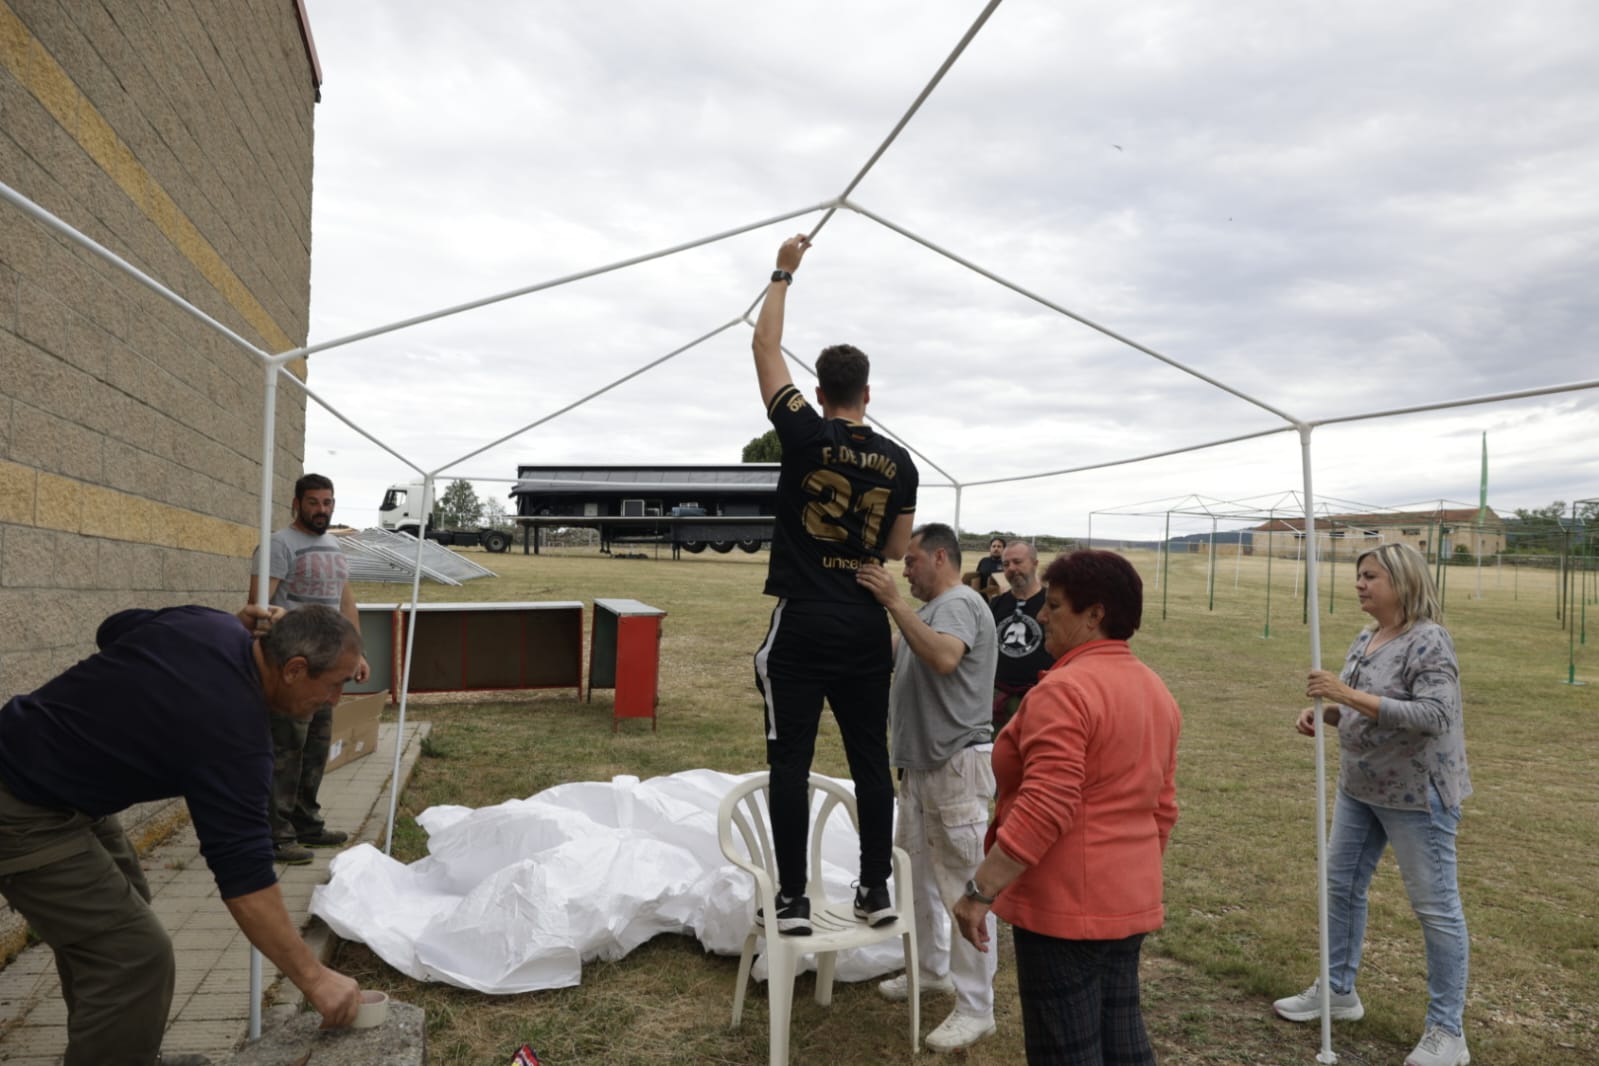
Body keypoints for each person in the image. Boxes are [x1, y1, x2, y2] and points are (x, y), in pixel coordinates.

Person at [0, 603, 365, 1066]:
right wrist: (315, 979)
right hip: (20, 806)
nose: (335, 700)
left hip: (56, 781)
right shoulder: (234, 737)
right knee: (133, 954)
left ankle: (121, 1050)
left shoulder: (207, 623)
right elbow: (246, 881)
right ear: (294, 669)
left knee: (124, 906)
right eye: (334, 685)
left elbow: (111, 629)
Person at [750, 233, 920, 936]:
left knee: (789, 758)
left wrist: (783, 273)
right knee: (869, 760)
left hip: (804, 616)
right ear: (867, 394)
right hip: (861, 622)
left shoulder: (803, 434)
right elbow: (896, 547)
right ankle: (874, 888)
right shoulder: (899, 460)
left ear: (819, 395)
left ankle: (792, 898)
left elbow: (764, 350)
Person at [952, 550, 1180, 1066]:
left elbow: (1045, 804)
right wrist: (1130, 870)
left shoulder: (1065, 689)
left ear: (1094, 615)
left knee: (1066, 1048)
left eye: (1054, 605)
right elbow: (1162, 808)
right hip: (1127, 893)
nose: (1040, 616)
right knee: (1121, 1039)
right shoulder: (1155, 690)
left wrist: (979, 890)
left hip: (1064, 903)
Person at [1273, 542, 1471, 1066]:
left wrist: (1344, 695)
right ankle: (1338, 992)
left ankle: (1447, 1032)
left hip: (1416, 795)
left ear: (1402, 582)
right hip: (1360, 789)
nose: (1360, 584)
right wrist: (1328, 715)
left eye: (1370, 576)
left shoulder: (1429, 641)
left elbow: (1433, 714)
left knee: (1436, 909)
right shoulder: (1368, 637)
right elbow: (1363, 705)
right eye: (1358, 575)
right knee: (1340, 886)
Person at [857, 523, 999, 1052]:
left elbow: (942, 658)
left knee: (965, 887)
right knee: (915, 880)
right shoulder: (932, 611)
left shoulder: (959, 601)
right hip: (921, 768)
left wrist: (893, 602)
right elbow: (895, 652)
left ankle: (977, 1007)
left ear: (941, 557)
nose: (905, 571)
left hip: (954, 766)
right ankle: (932, 970)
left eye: (912, 561)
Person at [248, 473, 370, 864]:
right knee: (285, 751)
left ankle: (306, 824)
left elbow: (345, 604)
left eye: (328, 502)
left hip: (326, 669)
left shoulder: (334, 546)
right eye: (314, 502)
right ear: (297, 503)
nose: (322, 510)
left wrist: (357, 654)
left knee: (316, 750)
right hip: (293, 669)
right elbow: (257, 607)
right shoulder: (279, 546)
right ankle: (275, 835)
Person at [991, 539, 1052, 731]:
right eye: (1006, 564)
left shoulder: (1053, 603)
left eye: (1018, 562)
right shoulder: (996, 604)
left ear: (1035, 564)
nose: (1011, 569)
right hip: (999, 698)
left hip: (1042, 699)